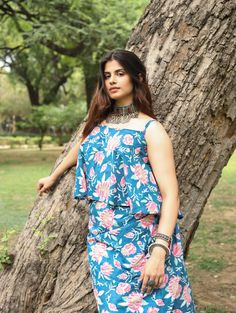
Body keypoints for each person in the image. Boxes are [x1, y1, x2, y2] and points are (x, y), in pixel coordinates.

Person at [37, 49, 196, 312]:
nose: (111, 80)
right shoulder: (99, 124)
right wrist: (54, 175)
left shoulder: (151, 129)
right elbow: (83, 147)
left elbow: (171, 195)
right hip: (102, 241)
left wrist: (159, 251)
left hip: (144, 240)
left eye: (120, 74)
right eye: (107, 75)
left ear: (137, 78)